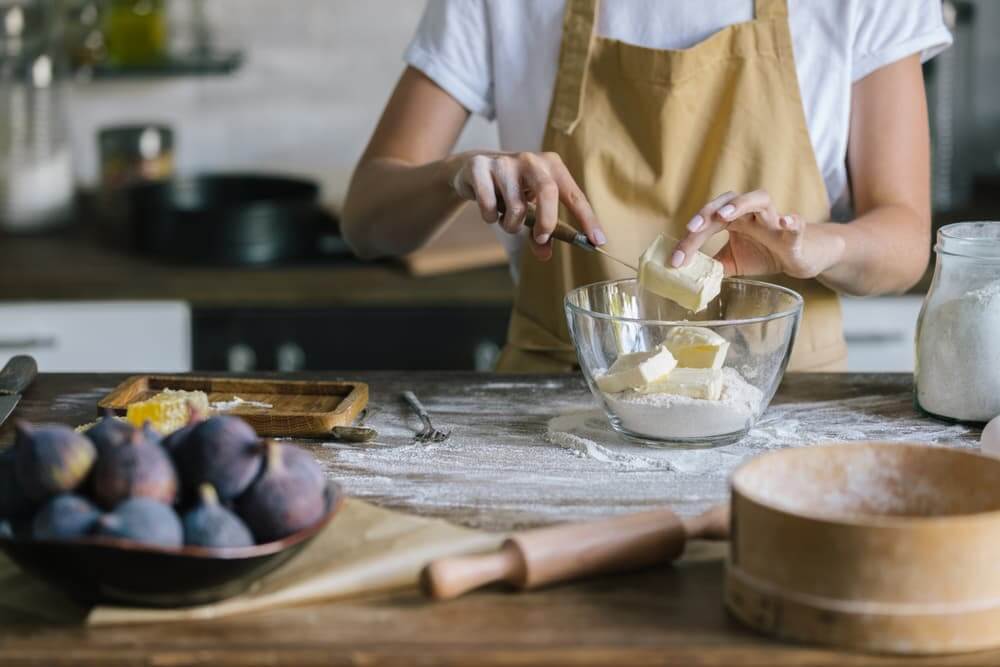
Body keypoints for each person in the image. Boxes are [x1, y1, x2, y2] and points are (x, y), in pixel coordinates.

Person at [342, 0, 951, 372]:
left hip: (785, 406)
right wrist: (460, 170)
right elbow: (367, 220)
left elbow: (903, 245)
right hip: (559, 409)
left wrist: (819, 246)